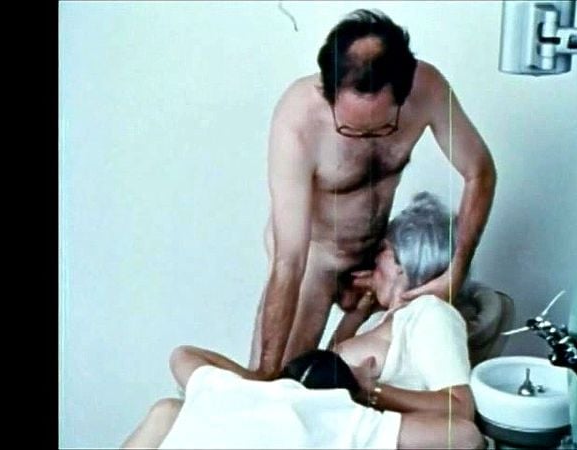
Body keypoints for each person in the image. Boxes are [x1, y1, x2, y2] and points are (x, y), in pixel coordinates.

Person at [121, 193, 485, 449]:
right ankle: (254, 394)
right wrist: (357, 313)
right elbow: (330, 367)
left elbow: (459, 408)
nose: (373, 259)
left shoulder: (431, 313)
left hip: (314, 423)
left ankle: (250, 397)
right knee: (173, 391)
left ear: (408, 261)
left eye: (384, 252)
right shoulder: (385, 320)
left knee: (170, 406)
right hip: (296, 407)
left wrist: (369, 392)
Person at [250, 8, 497, 381]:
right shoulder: (297, 120)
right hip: (315, 259)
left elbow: (479, 171)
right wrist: (264, 379)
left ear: (404, 92)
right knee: (286, 379)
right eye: (349, 129)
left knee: (394, 366)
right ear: (329, 91)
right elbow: (289, 262)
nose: (365, 138)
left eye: (381, 128)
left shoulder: (428, 89)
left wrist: (457, 270)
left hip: (379, 253)